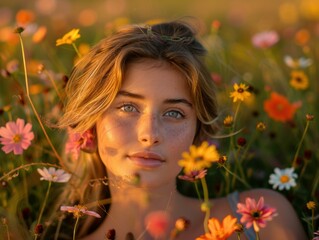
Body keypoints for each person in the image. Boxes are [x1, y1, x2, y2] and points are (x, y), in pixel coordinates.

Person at [57, 19, 307, 239]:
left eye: (174, 113)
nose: (150, 135)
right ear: (89, 126)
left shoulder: (261, 219)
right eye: (127, 107)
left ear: (198, 134)